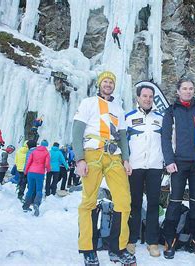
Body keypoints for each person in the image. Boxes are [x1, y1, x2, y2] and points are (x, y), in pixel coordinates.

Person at [72, 71, 135, 265]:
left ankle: (118, 247)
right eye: (105, 81)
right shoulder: (88, 103)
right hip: (92, 152)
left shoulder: (118, 107)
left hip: (114, 155)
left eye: (111, 82)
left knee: (124, 200)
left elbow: (123, 136)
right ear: (100, 84)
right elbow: (77, 130)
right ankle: (88, 249)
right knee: (89, 200)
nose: (108, 84)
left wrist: (126, 159)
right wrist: (79, 159)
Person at [161, 77, 195, 259]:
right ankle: (170, 241)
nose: (188, 91)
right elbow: (165, 138)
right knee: (174, 202)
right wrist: (169, 160)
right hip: (178, 164)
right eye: (185, 88)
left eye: (191, 88)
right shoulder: (171, 111)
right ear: (178, 91)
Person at [125, 82, 164, 257]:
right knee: (135, 204)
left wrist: (165, 161)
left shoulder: (160, 118)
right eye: (144, 96)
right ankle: (131, 240)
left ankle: (152, 241)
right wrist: (124, 162)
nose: (147, 99)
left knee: (154, 204)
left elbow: (168, 142)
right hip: (135, 167)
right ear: (138, 98)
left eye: (150, 97)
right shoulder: (128, 117)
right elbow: (123, 143)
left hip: (155, 167)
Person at [22, 140, 50, 217]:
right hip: (40, 173)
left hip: (30, 172)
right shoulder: (46, 152)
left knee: (30, 189)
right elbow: (47, 163)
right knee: (39, 190)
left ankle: (26, 206)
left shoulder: (34, 151)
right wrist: (48, 170)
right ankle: (36, 204)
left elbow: (29, 162)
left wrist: (26, 171)